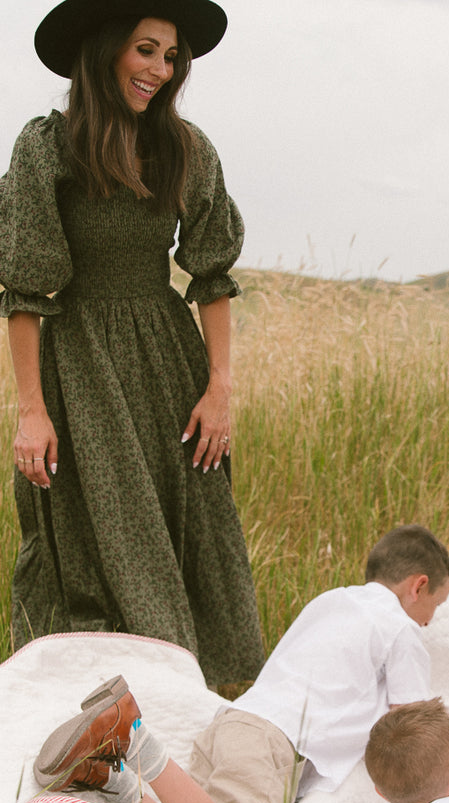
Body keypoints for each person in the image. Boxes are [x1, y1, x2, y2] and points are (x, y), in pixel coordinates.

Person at [0, 0, 264, 687]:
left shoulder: (185, 146)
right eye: (146, 50)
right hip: (82, 367)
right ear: (108, 48)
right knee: (94, 540)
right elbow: (25, 291)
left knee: (192, 532)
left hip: (170, 365)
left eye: (170, 56)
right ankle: (98, 713)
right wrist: (30, 410)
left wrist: (219, 388)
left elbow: (211, 275)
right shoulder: (46, 147)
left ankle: (189, 701)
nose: (159, 69)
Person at [34, 525, 449, 803]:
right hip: (272, 744)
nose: (426, 623)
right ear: (417, 586)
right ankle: (132, 735)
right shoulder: (400, 630)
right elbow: (409, 732)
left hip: (236, 722)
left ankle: (109, 779)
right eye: (431, 611)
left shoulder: (331, 602)